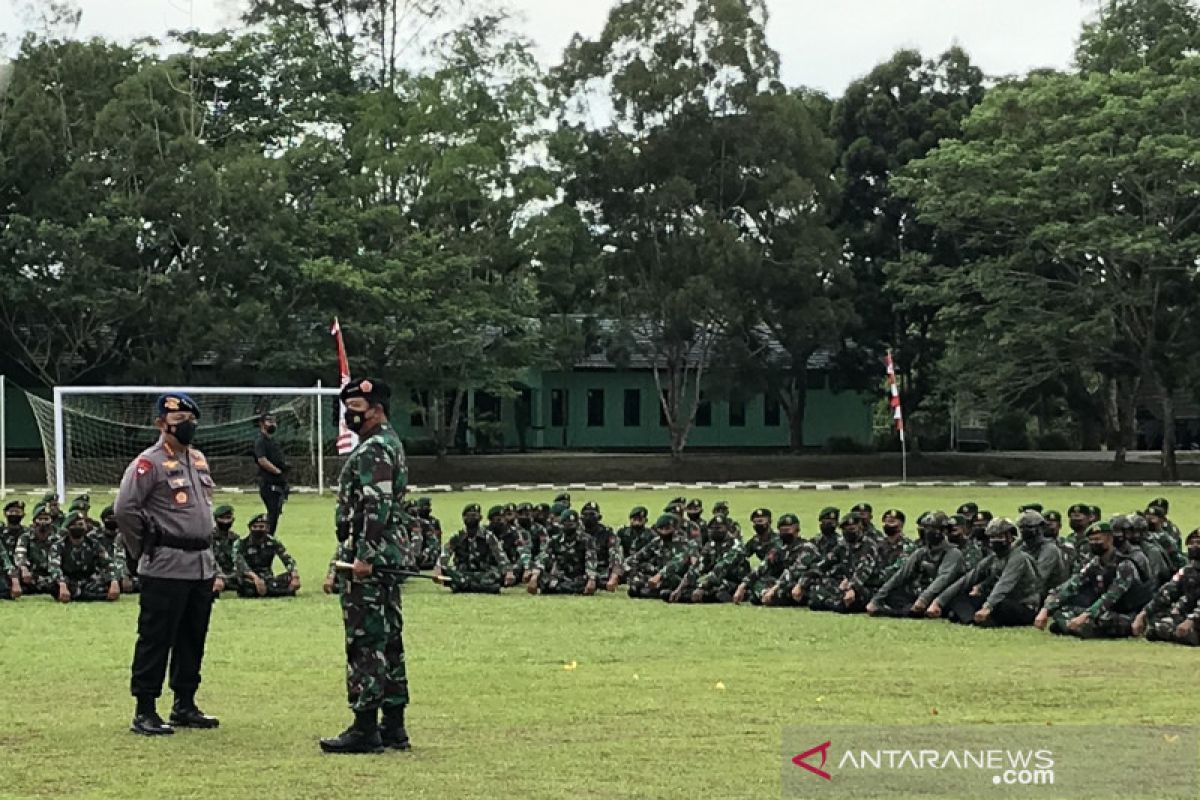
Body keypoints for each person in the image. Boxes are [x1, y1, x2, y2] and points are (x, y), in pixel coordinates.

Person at [114, 392, 220, 736]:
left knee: (193, 637)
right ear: (161, 424)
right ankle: (145, 709)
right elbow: (125, 509)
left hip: (200, 564)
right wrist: (142, 547)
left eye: (190, 422)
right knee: (156, 638)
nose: (186, 428)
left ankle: (184, 704)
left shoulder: (199, 459)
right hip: (165, 564)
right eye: (178, 423)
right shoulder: (148, 463)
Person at [320, 377, 412, 755]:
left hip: (370, 561)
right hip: (387, 557)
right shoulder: (390, 444)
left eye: (356, 409)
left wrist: (364, 556)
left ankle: (365, 727)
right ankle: (394, 726)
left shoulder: (375, 450)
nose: (349, 416)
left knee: (365, 641)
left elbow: (377, 505)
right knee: (389, 639)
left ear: (377, 408)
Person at [1035, 522, 1141, 639]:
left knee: (1105, 620)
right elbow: (1071, 586)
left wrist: (1086, 615)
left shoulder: (1124, 564)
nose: (1093, 543)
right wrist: (1046, 609)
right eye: (1091, 540)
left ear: (1110, 539)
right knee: (1062, 612)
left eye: (1097, 539)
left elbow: (1110, 597)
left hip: (1125, 613)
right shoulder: (1094, 564)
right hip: (1101, 611)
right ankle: (1081, 628)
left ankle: (1080, 628)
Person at [929, 518, 1040, 627]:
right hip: (1000, 600)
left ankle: (975, 618)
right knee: (959, 598)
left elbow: (1004, 585)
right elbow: (967, 579)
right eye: (992, 537)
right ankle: (974, 620)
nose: (994, 541)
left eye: (999, 537)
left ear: (1010, 537)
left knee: (999, 606)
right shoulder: (993, 558)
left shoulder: (1018, 558)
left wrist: (987, 607)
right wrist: (938, 602)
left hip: (1023, 605)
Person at [867, 512, 964, 618]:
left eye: (931, 528)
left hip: (941, 596)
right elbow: (900, 575)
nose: (927, 532)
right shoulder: (921, 552)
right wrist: (876, 599)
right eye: (926, 528)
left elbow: (943, 579)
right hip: (919, 594)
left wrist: (923, 600)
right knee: (893, 594)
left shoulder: (953, 553)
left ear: (944, 531)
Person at [1133, 529, 1200, 645]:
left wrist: (1192, 620)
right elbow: (1166, 593)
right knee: (1154, 629)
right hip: (1188, 616)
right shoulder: (1188, 570)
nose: (1194, 546)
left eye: (1198, 543)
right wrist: (1143, 614)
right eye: (1191, 543)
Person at [435, 504, 511, 593]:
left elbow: (500, 556)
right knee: (448, 572)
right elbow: (445, 555)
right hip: (463, 572)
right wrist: (438, 570)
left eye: (474, 515)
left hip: (484, 573)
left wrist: (508, 572)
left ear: (480, 518)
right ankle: (481, 588)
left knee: (496, 575)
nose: (471, 518)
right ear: (463, 518)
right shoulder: (457, 537)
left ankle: (465, 586)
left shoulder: (489, 536)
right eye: (469, 516)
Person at [50, 510, 120, 603]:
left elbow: (108, 563)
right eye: (75, 525)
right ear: (68, 528)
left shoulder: (93, 544)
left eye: (81, 524)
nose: (79, 527)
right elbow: (54, 568)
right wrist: (62, 585)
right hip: (68, 581)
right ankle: (95, 596)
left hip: (89, 581)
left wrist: (114, 582)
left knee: (107, 583)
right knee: (53, 586)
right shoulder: (59, 545)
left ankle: (81, 595)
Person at [526, 513, 598, 596]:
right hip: (560, 577)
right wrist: (534, 576)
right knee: (538, 573)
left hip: (579, 577)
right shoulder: (555, 540)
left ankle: (557, 588)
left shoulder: (587, 540)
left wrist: (591, 579)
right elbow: (543, 557)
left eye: (573, 524)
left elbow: (591, 561)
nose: (571, 527)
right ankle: (564, 588)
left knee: (591, 580)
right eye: (567, 524)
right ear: (561, 525)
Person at [233, 514, 300, 597]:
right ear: (250, 528)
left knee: (289, 579)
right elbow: (241, 565)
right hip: (249, 577)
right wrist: (256, 579)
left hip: (267, 577)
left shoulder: (272, 542)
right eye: (255, 527)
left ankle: (271, 590)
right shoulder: (241, 543)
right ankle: (276, 591)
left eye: (261, 527)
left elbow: (287, 559)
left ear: (267, 528)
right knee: (247, 588)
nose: (258, 529)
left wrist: (295, 577)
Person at [252, 413, 288, 536]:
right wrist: (277, 471)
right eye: (269, 421)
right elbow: (262, 460)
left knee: (275, 513)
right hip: (269, 483)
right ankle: (265, 536)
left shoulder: (273, 441)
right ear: (262, 424)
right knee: (272, 513)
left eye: (274, 421)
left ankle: (268, 536)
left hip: (278, 484)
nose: (272, 424)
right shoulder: (260, 441)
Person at [14, 504, 57, 595]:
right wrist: (24, 569)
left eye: (46, 519)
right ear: (34, 522)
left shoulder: (57, 537)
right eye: (40, 519)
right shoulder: (25, 537)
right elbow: (20, 555)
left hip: (51, 574)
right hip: (31, 575)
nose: (43, 522)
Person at [210, 506, 241, 595]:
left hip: (232, 575)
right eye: (222, 518)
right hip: (213, 575)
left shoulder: (235, 538)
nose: (225, 522)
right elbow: (209, 560)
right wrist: (218, 576)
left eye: (228, 518)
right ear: (215, 519)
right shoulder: (208, 538)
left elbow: (240, 561)